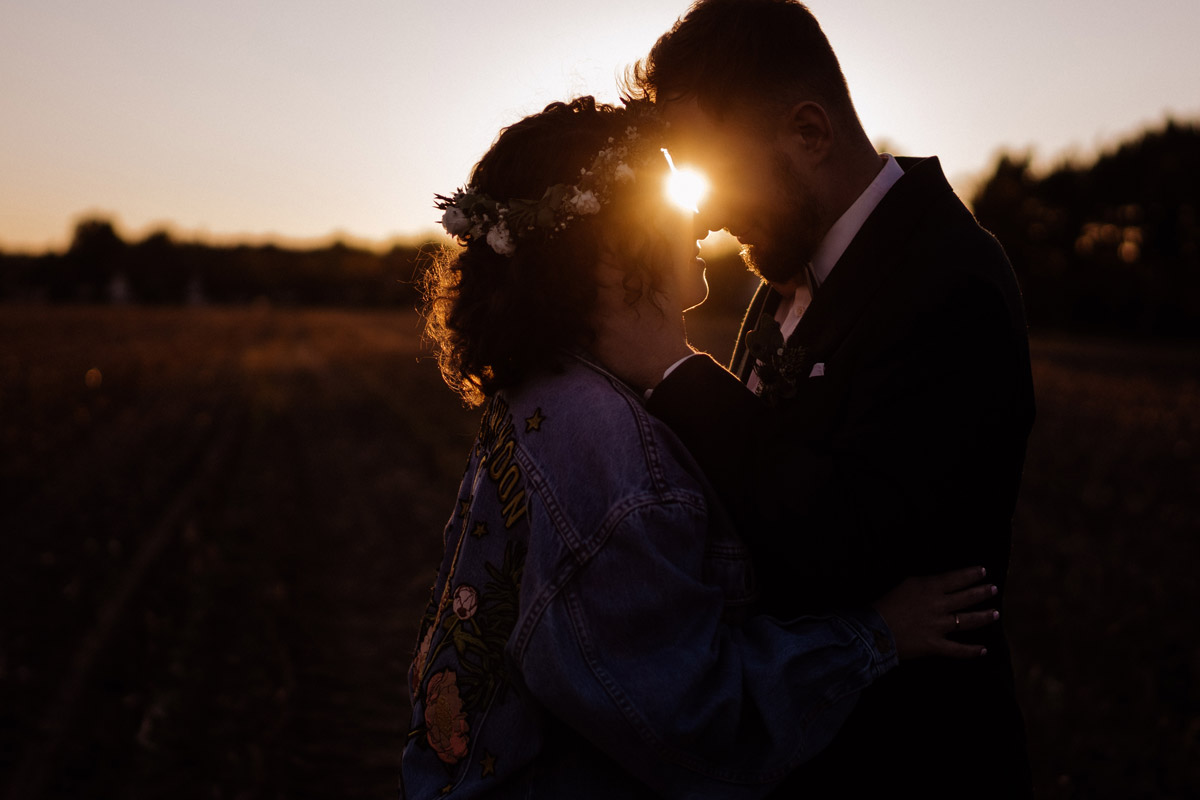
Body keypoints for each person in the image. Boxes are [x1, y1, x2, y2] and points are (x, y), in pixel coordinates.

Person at [400, 96, 999, 798]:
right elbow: (689, 715)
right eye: (666, 204)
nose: (698, 221)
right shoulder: (609, 445)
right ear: (614, 250)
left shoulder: (541, 394)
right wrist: (873, 637)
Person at [598, 1, 1037, 796]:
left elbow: (848, 548)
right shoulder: (791, 269)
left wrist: (674, 369)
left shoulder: (950, 282)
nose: (705, 213)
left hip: (908, 755)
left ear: (809, 132)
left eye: (716, 172)